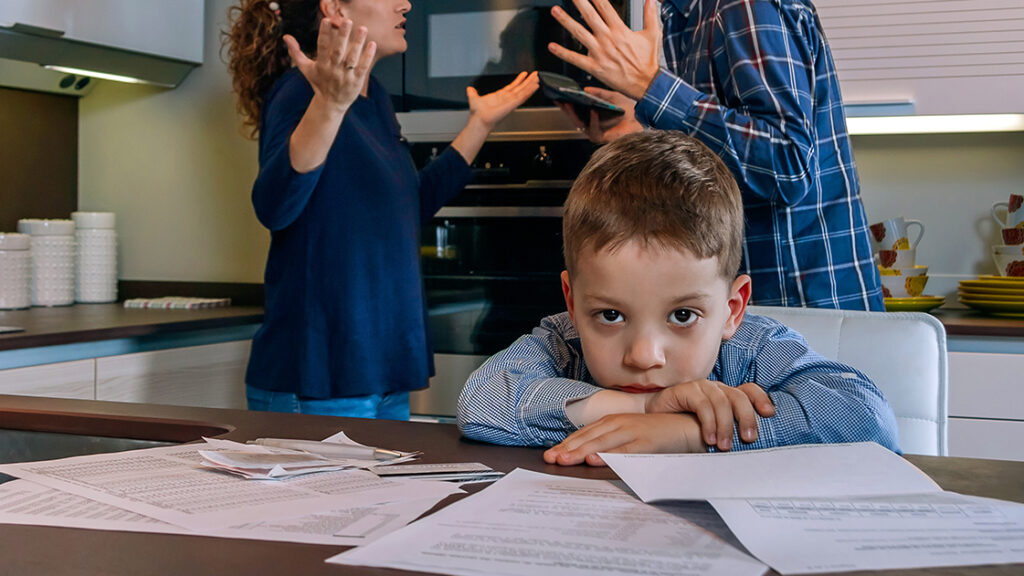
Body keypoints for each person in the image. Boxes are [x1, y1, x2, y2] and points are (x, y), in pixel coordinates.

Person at [457, 131, 899, 466]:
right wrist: (643, 407)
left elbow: (868, 417)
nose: (644, 356)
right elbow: (479, 402)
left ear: (732, 309)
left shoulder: (754, 348)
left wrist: (688, 433)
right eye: (610, 314)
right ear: (572, 303)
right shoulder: (562, 340)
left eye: (683, 315)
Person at [223, 0, 538, 419]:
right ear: (334, 7)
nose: (405, 2)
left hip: (383, 375)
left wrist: (479, 124)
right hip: (322, 379)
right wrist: (329, 106)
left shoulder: (375, 100)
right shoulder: (301, 91)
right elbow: (275, 205)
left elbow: (409, 207)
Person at [545, 0, 883, 310]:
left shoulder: (743, 5)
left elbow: (788, 165)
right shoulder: (683, 16)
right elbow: (728, 157)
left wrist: (652, 87)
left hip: (808, 312)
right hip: (760, 311)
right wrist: (645, 118)